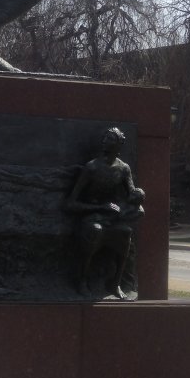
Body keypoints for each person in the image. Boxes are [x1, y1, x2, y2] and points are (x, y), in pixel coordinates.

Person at [65, 127, 145, 299]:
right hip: (91, 215)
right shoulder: (91, 167)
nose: (104, 141)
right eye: (105, 138)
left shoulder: (124, 168)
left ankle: (115, 283)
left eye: (110, 138)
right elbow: (71, 203)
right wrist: (101, 207)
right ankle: (82, 280)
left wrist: (138, 202)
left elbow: (132, 194)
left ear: (119, 144)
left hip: (112, 218)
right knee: (96, 230)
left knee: (125, 232)